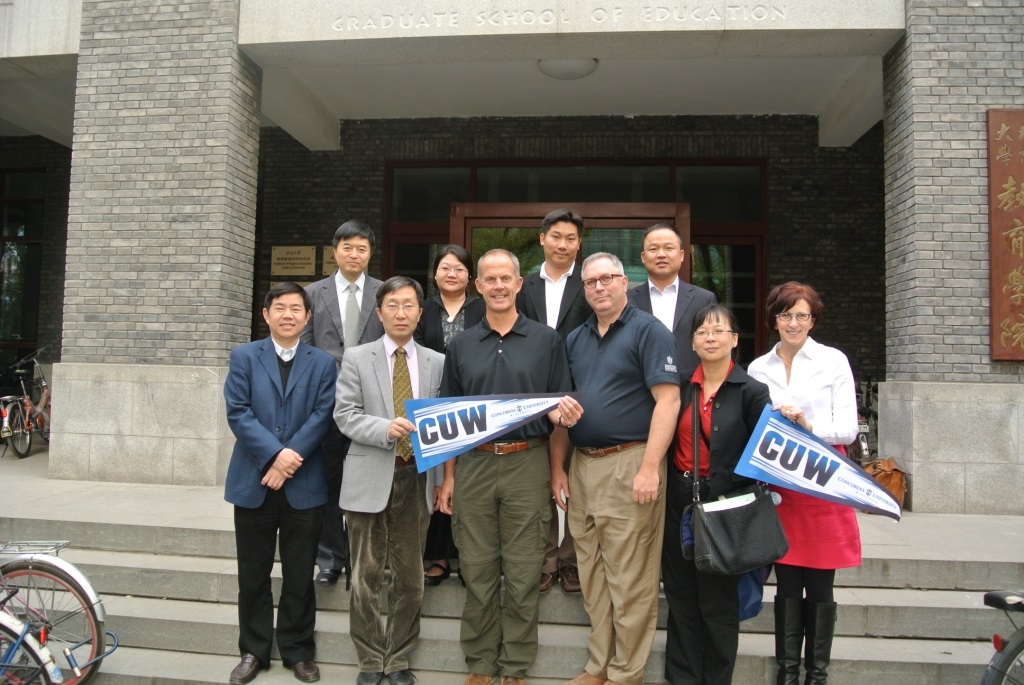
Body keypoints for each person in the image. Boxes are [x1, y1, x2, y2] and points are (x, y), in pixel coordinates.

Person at [436, 248, 582, 685]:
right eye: (490, 279)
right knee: (477, 569)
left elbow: (558, 414)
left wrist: (557, 471)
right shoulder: (460, 345)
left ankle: (515, 666)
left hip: (528, 462)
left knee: (523, 571)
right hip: (474, 465)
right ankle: (481, 663)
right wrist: (449, 478)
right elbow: (449, 420)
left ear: (519, 284)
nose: (498, 286)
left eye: (506, 278)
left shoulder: (546, 340)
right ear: (478, 286)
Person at [558, 252, 680, 685]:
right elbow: (563, 408)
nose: (599, 287)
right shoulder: (576, 339)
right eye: (591, 282)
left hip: (630, 463)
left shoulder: (649, 331)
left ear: (624, 282)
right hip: (583, 466)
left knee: (630, 578)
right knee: (592, 575)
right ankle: (598, 666)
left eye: (607, 278)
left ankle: (626, 673)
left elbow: (668, 401)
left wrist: (649, 468)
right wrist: (558, 469)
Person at [746, 282, 860, 685]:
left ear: (813, 320)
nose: (793, 323)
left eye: (801, 315)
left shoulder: (832, 361)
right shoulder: (759, 368)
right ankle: (787, 672)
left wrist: (808, 427)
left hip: (822, 482)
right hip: (782, 487)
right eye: (785, 315)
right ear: (773, 320)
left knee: (821, 584)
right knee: (788, 584)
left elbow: (848, 428)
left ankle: (817, 675)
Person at [223, 282, 338, 685]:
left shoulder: (322, 363)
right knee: (252, 573)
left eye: (296, 309)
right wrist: (275, 456)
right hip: (253, 481)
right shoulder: (244, 357)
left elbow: (323, 415)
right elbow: (238, 412)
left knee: (300, 572)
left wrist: (288, 462)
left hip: (304, 484)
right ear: (266, 314)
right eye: (280, 308)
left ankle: (298, 649)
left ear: (308, 317)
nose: (288, 315)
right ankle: (253, 650)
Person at [335, 276, 446, 685]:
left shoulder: (437, 362)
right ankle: (369, 660)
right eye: (393, 306)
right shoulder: (356, 357)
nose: (401, 313)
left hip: (416, 479)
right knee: (364, 577)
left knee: (410, 578)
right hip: (369, 475)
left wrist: (442, 479)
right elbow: (345, 414)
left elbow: (443, 425)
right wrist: (385, 428)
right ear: (379, 313)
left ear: (420, 313)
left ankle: (398, 658)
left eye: (408, 305)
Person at [662, 304, 771, 685]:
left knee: (718, 601)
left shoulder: (752, 391)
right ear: (692, 342)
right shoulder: (680, 388)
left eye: (719, 331)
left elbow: (764, 453)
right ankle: (683, 677)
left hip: (725, 506)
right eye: (702, 332)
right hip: (680, 501)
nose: (710, 338)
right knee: (681, 595)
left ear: (734, 339)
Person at [301, 220, 385, 585]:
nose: (354, 254)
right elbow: (304, 348)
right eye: (347, 247)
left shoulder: (383, 292)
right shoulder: (312, 293)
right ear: (335, 251)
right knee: (328, 480)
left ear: (370, 254)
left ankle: (369, 558)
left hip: (372, 405)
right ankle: (330, 559)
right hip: (326, 404)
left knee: (371, 480)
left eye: (361, 248)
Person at [516, 208, 592, 595]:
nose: (563, 244)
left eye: (571, 238)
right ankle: (545, 559)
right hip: (533, 391)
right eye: (556, 236)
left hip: (580, 389)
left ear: (579, 244)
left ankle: (571, 559)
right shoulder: (523, 285)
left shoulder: (590, 283)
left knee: (576, 476)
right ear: (542, 238)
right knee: (540, 476)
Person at [414, 244, 485, 586]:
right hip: (431, 402)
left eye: (459, 268)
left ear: (470, 276)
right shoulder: (423, 309)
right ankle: (439, 556)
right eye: (445, 267)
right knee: (438, 479)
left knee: (467, 480)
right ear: (435, 274)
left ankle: (471, 558)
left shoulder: (482, 307)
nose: (452, 274)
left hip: (471, 402)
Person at [628, 223, 716, 374]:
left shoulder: (704, 299)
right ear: (643, 257)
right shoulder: (626, 300)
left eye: (669, 248)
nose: (661, 254)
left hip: (690, 384)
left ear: (681, 255)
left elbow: (712, 346)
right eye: (653, 249)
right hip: (639, 383)